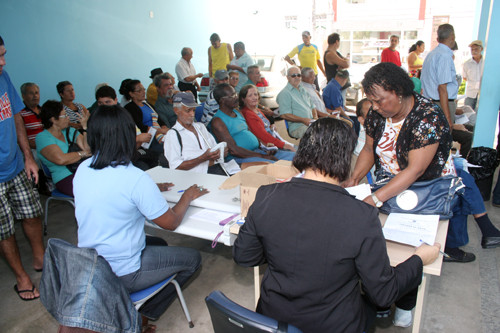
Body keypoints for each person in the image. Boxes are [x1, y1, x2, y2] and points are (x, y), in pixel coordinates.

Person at [233, 117, 441, 333]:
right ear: (345, 159)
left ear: (303, 150)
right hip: (333, 324)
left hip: (272, 320)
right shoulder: (361, 216)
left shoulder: (266, 195)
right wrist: (419, 259)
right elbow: (383, 293)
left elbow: (245, 256)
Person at [346, 63, 500, 325]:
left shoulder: (428, 115)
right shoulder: (377, 113)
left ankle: (405, 302)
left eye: (379, 100)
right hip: (389, 184)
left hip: (426, 190)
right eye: (371, 101)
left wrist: (374, 198)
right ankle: (380, 301)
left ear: (398, 92)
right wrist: (354, 179)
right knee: (378, 244)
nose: (374, 106)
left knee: (410, 246)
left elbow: (415, 171)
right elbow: (370, 150)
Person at [74, 104, 206, 328]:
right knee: (193, 259)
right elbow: (171, 222)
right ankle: (143, 315)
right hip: (123, 270)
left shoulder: (84, 167)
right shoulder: (134, 177)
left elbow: (113, 189)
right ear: (126, 137)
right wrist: (188, 197)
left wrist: (150, 188)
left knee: (160, 244)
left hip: (91, 263)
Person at [0, 35, 45, 301]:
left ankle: (40, 259)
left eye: (4, 54)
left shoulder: (3, 77)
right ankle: (22, 277)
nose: (3, 62)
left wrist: (27, 156)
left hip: (16, 164)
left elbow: (16, 113)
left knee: (32, 213)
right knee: (4, 230)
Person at [421, 23, 473, 158]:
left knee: (435, 140)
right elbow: (442, 88)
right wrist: (449, 119)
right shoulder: (444, 56)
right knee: (442, 142)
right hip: (441, 103)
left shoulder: (432, 54)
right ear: (453, 36)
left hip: (432, 102)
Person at [211, 84, 289, 164]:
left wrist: (264, 146)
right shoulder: (218, 121)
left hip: (257, 151)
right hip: (240, 158)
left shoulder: (237, 112)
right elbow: (234, 150)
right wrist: (262, 156)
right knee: (277, 166)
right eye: (232, 96)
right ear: (222, 101)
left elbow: (250, 133)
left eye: (236, 94)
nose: (236, 98)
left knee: (293, 157)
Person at [36, 100, 91, 196]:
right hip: (64, 177)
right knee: (93, 192)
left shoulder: (70, 131)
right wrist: (82, 154)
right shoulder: (43, 137)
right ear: (53, 119)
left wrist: (84, 127)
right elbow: (60, 159)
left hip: (82, 171)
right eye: (64, 116)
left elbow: (87, 148)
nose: (68, 118)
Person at [95, 86, 157, 171]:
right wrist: (136, 139)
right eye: (100, 103)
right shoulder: (96, 122)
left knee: (154, 159)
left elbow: (139, 142)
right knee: (143, 167)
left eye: (107, 102)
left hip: (131, 154)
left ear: (116, 101)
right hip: (112, 161)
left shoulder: (124, 117)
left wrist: (136, 140)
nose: (104, 106)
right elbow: (110, 148)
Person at [164, 92, 227, 173]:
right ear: (176, 111)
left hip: (219, 167)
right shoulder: (173, 134)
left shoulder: (200, 127)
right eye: (188, 111)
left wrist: (221, 152)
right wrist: (203, 158)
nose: (192, 114)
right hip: (198, 175)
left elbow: (214, 148)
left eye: (193, 110)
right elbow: (176, 167)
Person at [239, 84, 296, 153]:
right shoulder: (248, 114)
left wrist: (271, 126)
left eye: (255, 94)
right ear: (243, 99)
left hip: (273, 140)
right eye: (250, 95)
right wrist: (284, 145)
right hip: (268, 146)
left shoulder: (256, 110)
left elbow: (264, 126)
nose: (254, 97)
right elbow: (263, 136)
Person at [124, 79, 168, 152]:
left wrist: (164, 128)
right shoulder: (129, 108)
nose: (143, 92)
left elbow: (160, 120)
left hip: (160, 133)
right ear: (131, 94)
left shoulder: (148, 105)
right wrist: (161, 131)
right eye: (139, 91)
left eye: (143, 89)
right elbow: (140, 127)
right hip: (148, 139)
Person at [276, 67, 318, 139]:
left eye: (298, 75)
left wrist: (315, 118)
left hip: (311, 124)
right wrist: (303, 120)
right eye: (293, 75)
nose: (296, 77)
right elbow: (285, 115)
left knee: (331, 130)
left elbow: (313, 107)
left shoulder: (303, 89)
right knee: (318, 135)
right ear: (287, 77)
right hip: (298, 128)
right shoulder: (285, 93)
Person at [19, 82, 43, 149]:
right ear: (23, 96)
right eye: (31, 93)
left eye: (36, 93)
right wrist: (41, 147)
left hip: (48, 147)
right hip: (32, 149)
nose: (35, 96)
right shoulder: (19, 113)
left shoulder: (44, 110)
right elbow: (19, 138)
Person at [462, 40, 484, 110]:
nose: (474, 51)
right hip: (470, 94)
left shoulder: (485, 62)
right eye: (472, 49)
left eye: (476, 49)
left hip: (483, 94)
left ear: (481, 49)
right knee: (468, 114)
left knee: (480, 114)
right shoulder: (467, 64)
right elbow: (465, 78)